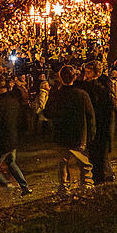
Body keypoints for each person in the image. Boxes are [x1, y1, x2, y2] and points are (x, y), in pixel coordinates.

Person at [44, 65, 95, 193]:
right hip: (79, 133)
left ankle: (64, 186)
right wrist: (91, 133)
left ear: (60, 78)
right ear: (75, 77)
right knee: (83, 161)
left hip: (61, 133)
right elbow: (90, 115)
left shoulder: (56, 95)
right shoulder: (81, 95)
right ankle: (87, 184)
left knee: (63, 162)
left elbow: (47, 112)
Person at [77, 61, 115, 184]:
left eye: (89, 72)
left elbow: (104, 103)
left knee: (100, 151)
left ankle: (102, 177)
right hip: (94, 122)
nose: (86, 75)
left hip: (102, 122)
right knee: (95, 151)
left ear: (96, 73)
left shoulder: (101, 85)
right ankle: (104, 174)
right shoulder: (89, 85)